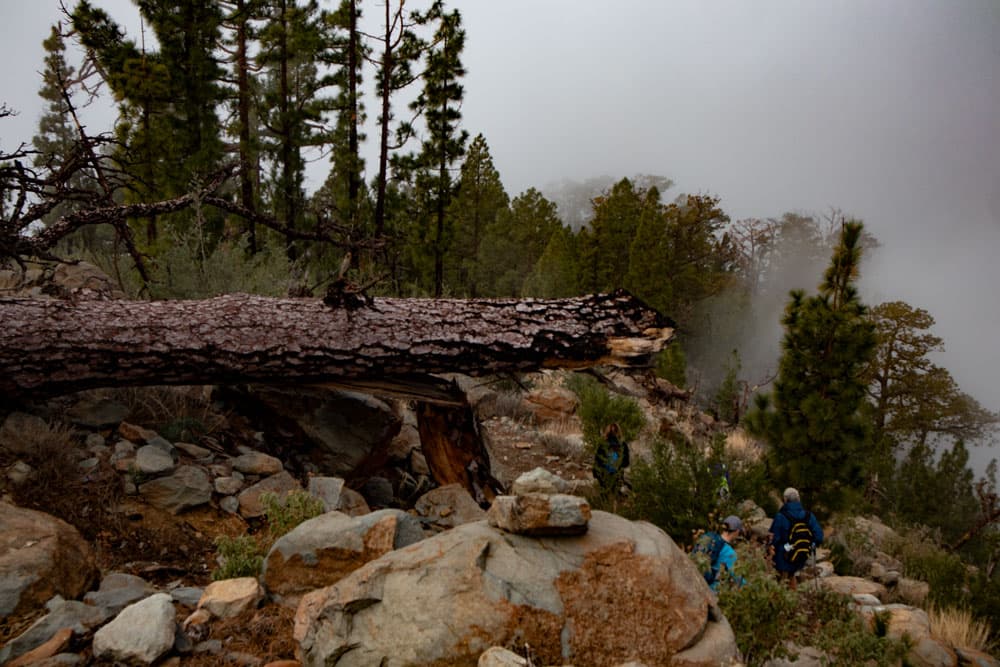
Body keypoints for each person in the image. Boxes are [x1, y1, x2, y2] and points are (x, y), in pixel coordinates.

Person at [769, 487, 824, 589]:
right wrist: (809, 545)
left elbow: (774, 539)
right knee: (792, 575)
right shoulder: (809, 516)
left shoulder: (780, 516)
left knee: (782, 579)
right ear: (798, 499)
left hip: (784, 557)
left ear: (785, 500)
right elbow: (819, 537)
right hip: (801, 555)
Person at [695, 515, 745, 591]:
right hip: (712, 591)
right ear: (737, 531)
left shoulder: (710, 539)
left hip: (696, 582)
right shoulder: (730, 552)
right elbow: (737, 578)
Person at [593, 423, 630, 494]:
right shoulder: (623, 444)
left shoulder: (603, 444)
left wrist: (596, 474)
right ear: (618, 432)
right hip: (617, 475)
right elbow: (626, 463)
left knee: (604, 496)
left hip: (604, 475)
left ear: (607, 432)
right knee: (616, 495)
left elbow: (597, 461)